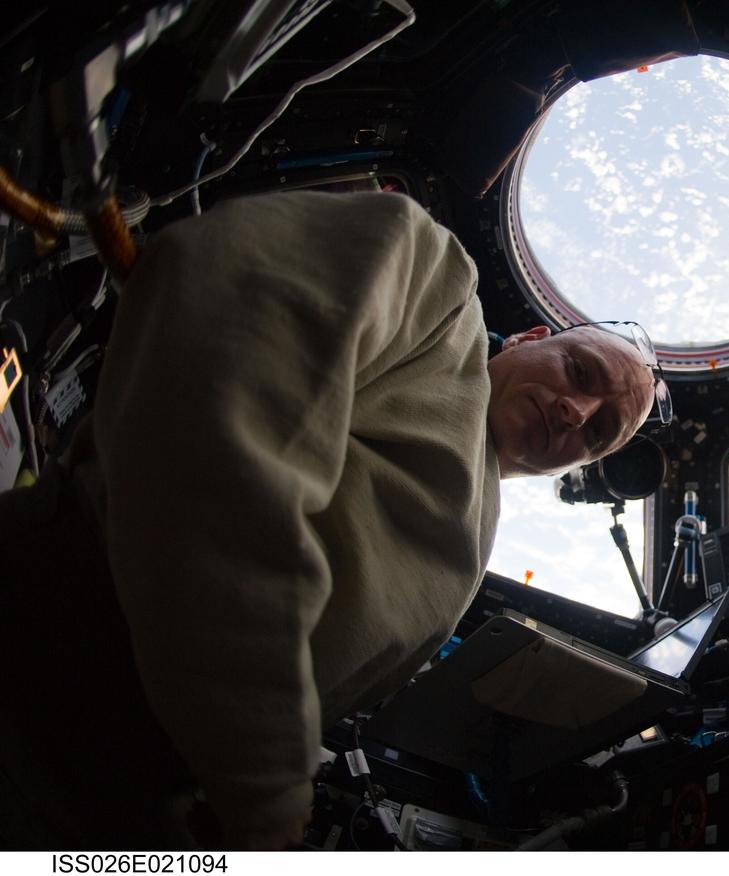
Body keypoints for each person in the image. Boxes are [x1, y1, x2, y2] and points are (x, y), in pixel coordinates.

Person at [0, 190, 661, 849]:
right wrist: (267, 787)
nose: (577, 411)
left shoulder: (476, 528)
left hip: (145, 769)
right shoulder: (441, 289)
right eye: (579, 371)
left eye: (600, 430)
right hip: (54, 642)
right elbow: (218, 386)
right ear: (531, 337)